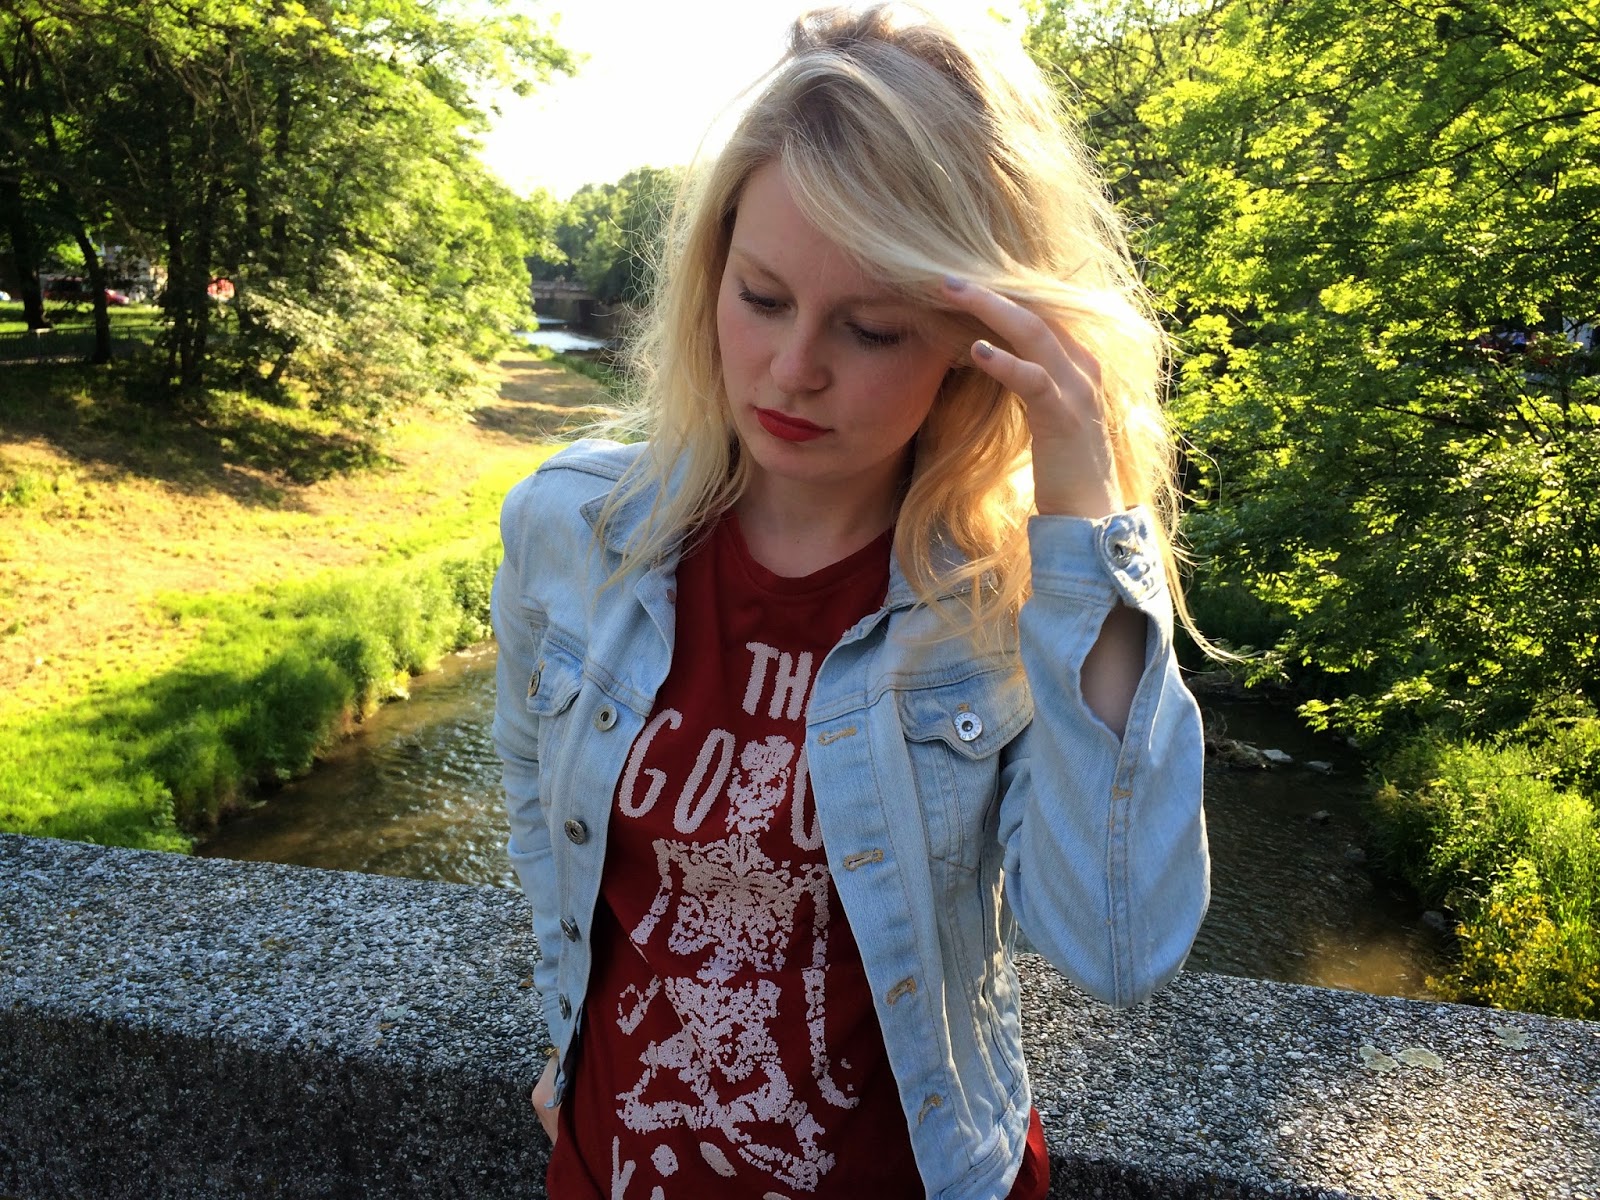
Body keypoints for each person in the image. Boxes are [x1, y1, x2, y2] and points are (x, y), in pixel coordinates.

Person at [491, 6, 1209, 1197]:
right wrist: (568, 1027)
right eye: (761, 297)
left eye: (871, 328)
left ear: (973, 345)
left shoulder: (1014, 600)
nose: (792, 370)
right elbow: (534, 796)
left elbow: (1118, 945)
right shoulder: (568, 530)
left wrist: (1086, 509)